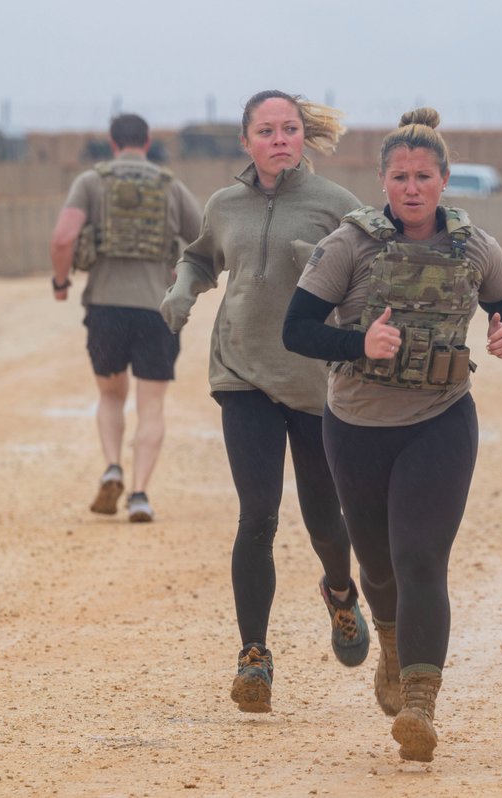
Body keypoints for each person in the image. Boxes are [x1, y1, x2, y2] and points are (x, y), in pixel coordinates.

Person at [282, 107, 502, 763]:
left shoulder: (473, 246)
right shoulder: (350, 245)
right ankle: (389, 639)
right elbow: (297, 329)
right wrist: (359, 340)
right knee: (380, 569)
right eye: (400, 176)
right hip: (357, 427)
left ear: (444, 180)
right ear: (383, 181)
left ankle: (421, 702)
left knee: (422, 559)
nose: (412, 187)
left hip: (440, 421)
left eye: (423, 176)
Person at [159, 90, 369, 715]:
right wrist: (181, 289)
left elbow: (372, 269)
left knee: (324, 520)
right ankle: (254, 655)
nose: (279, 139)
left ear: (303, 137)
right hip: (240, 374)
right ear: (246, 140)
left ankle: (339, 591)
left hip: (312, 384)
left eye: (289, 129)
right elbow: (199, 257)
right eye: (266, 130)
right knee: (258, 515)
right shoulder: (224, 205)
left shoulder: (338, 206)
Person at [50, 112, 203, 523]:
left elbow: (63, 237)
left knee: (110, 396)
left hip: (105, 307)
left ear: (112, 142)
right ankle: (139, 494)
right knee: (151, 405)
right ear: (148, 141)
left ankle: (113, 465)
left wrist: (61, 283)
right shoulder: (170, 185)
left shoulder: (91, 182)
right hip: (157, 308)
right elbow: (206, 239)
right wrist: (184, 280)